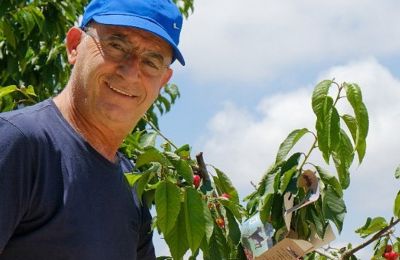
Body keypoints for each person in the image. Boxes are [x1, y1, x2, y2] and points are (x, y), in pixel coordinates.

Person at [0, 0, 185, 259]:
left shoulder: (130, 184)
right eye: (116, 46)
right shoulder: (16, 143)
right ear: (74, 45)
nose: (131, 72)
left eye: (151, 62)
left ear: (163, 81)